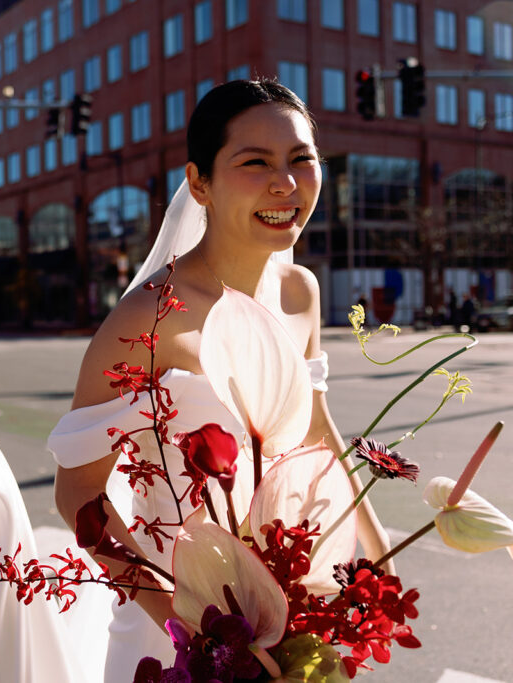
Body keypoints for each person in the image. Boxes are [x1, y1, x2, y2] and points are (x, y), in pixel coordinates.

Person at [48, 80, 393, 682]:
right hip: (173, 635)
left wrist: (373, 536)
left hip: (286, 609)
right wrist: (192, 630)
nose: (285, 183)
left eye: (301, 159)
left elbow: (312, 422)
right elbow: (78, 495)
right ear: (200, 182)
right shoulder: (146, 318)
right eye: (255, 162)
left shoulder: (299, 293)